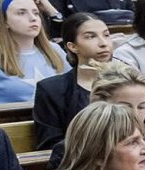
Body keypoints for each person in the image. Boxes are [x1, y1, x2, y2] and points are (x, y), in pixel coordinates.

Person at [35, 13, 115, 150]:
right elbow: (51, 144)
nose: (103, 43)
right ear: (72, 46)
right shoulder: (52, 89)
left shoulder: (127, 81)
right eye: (90, 37)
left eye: (106, 35)